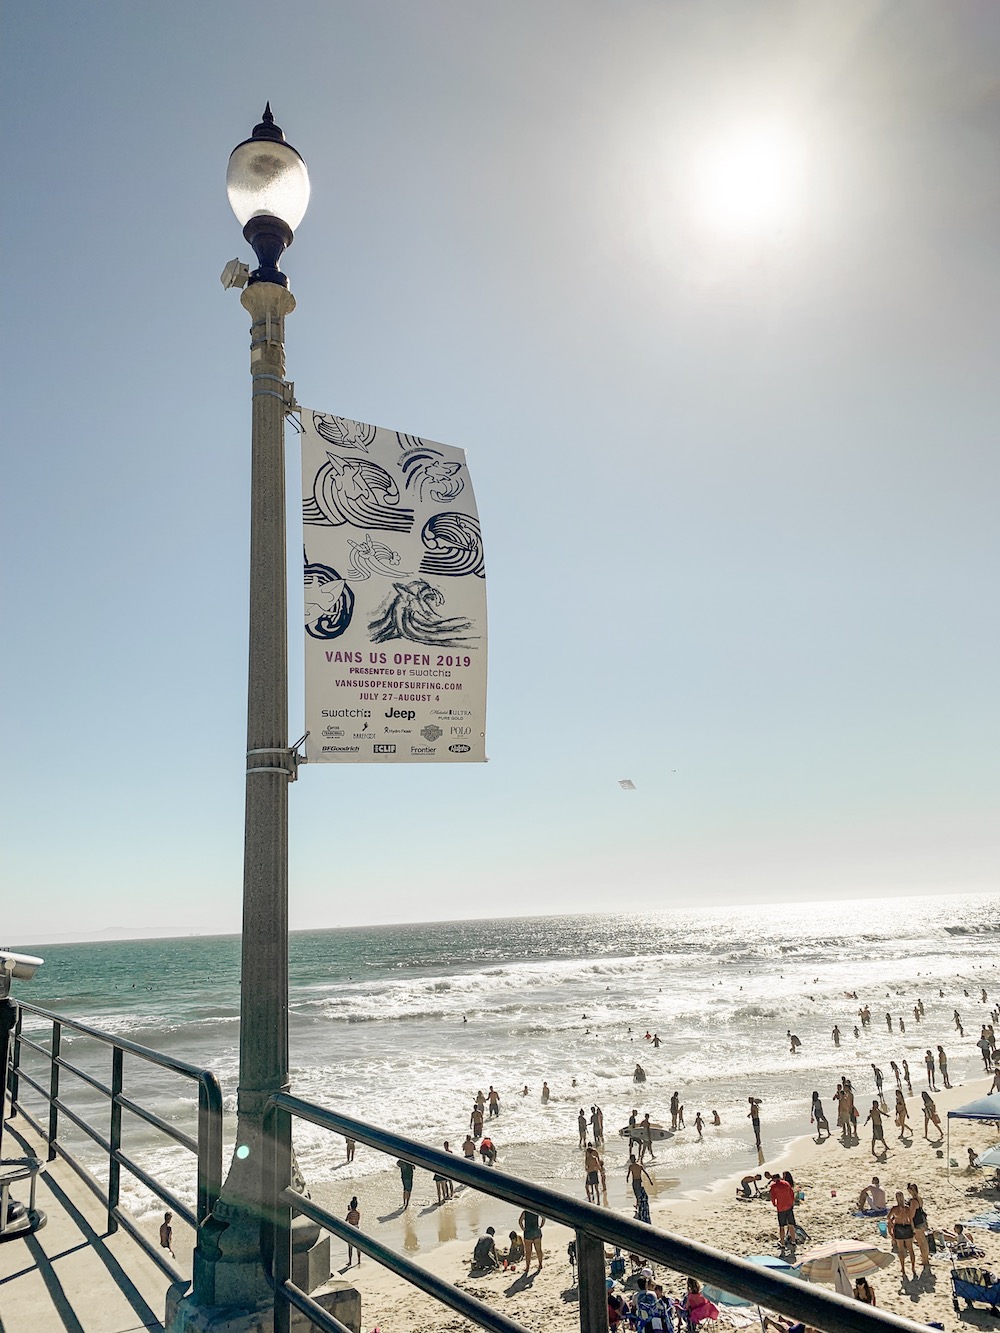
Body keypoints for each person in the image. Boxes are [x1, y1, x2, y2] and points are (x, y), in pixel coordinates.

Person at [887, 1191, 917, 1278]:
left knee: (901, 1250)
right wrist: (913, 1230)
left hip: (899, 1228)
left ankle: (903, 1268)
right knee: (910, 1249)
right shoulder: (907, 1208)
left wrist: (892, 1222)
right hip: (907, 1227)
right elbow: (911, 1219)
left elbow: (888, 1218)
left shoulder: (895, 1209)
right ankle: (913, 1268)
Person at [769, 1168, 796, 1250]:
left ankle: (782, 1243)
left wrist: (774, 1204)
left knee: (781, 1226)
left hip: (781, 1207)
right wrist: (791, 1202)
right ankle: (793, 1241)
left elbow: (773, 1197)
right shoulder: (786, 1183)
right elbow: (792, 1193)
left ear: (774, 1179)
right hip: (788, 1205)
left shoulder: (773, 1186)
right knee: (791, 1224)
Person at [906, 1182, 931, 1266]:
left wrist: (911, 1226)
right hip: (922, 1220)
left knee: (921, 1242)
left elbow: (912, 1215)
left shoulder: (913, 1201)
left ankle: (925, 1260)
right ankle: (925, 1259)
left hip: (917, 1222)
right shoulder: (919, 1198)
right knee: (923, 1241)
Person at [518, 1208, 544, 1274]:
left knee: (528, 1252)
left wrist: (523, 1228)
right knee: (538, 1250)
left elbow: (520, 1221)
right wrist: (541, 1225)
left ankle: (527, 1268)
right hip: (536, 1230)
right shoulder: (537, 1211)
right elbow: (543, 1218)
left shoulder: (525, 1212)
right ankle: (540, 1264)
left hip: (528, 1232)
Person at [345, 1196, 360, 1266]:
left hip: (351, 1229)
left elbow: (346, 1221)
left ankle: (350, 1261)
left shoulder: (349, 1214)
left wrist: (349, 1211)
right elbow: (357, 1220)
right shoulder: (358, 1213)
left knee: (350, 1247)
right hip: (357, 1228)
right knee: (358, 1246)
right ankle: (359, 1260)